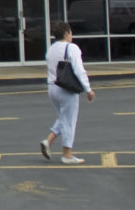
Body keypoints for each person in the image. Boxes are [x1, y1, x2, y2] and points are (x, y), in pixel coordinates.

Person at [41, 23, 95, 164]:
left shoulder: (51, 49)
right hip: (66, 89)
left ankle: (48, 141)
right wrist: (88, 89)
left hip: (52, 88)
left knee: (64, 117)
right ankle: (67, 154)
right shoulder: (72, 48)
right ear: (66, 33)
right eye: (71, 32)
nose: (72, 35)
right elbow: (79, 70)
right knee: (69, 121)